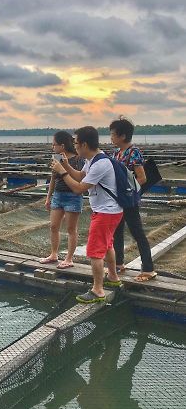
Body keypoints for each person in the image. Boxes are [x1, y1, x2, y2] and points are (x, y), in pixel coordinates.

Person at [51, 126, 123, 303]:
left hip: (106, 213)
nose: (74, 146)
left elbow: (78, 188)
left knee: (95, 252)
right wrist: (67, 166)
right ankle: (113, 277)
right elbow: (80, 176)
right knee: (107, 245)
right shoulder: (93, 159)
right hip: (110, 210)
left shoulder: (101, 164)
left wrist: (62, 172)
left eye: (76, 143)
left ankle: (97, 290)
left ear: (84, 144)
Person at [110, 116, 157, 282]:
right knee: (117, 232)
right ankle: (119, 263)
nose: (111, 137)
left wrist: (128, 190)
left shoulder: (133, 152)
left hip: (129, 200)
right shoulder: (116, 153)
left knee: (137, 233)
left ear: (122, 136)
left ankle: (149, 269)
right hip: (118, 200)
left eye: (113, 134)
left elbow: (142, 178)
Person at [42, 131, 84, 269]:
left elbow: (79, 179)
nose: (52, 147)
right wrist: (48, 197)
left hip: (73, 196)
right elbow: (53, 179)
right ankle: (54, 254)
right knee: (53, 226)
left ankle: (69, 258)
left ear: (62, 145)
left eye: (54, 145)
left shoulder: (78, 159)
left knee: (71, 229)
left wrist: (65, 168)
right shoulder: (56, 158)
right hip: (58, 196)